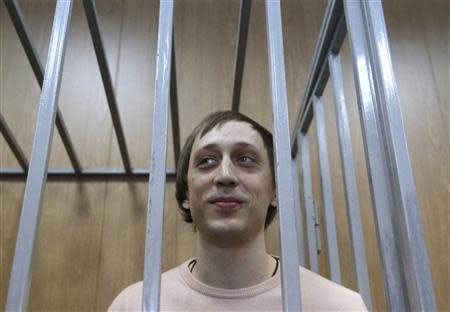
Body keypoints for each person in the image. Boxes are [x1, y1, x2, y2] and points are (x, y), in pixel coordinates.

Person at [108, 111, 367, 311]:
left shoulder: (340, 306)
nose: (225, 176)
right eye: (207, 161)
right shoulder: (134, 305)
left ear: (275, 192)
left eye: (245, 159)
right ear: (186, 194)